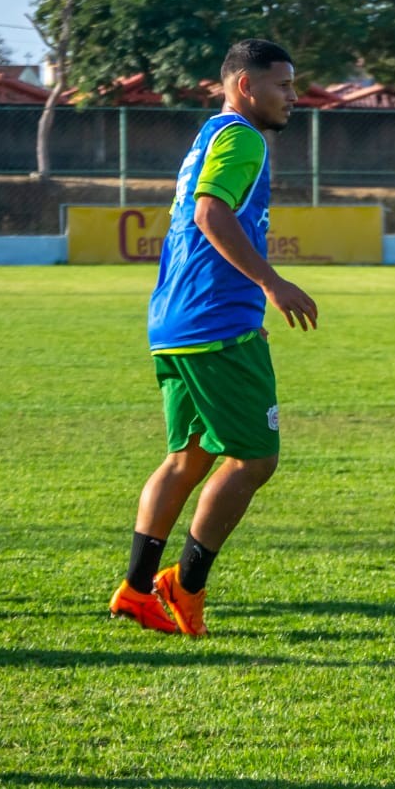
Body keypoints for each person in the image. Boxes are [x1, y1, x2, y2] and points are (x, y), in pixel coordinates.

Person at [108, 38, 319, 637]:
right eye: (283, 85)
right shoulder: (243, 138)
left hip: (172, 321)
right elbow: (210, 213)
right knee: (255, 458)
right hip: (218, 322)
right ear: (246, 85)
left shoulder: (209, 133)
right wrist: (272, 282)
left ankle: (136, 589)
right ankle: (184, 585)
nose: (293, 97)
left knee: (189, 456)